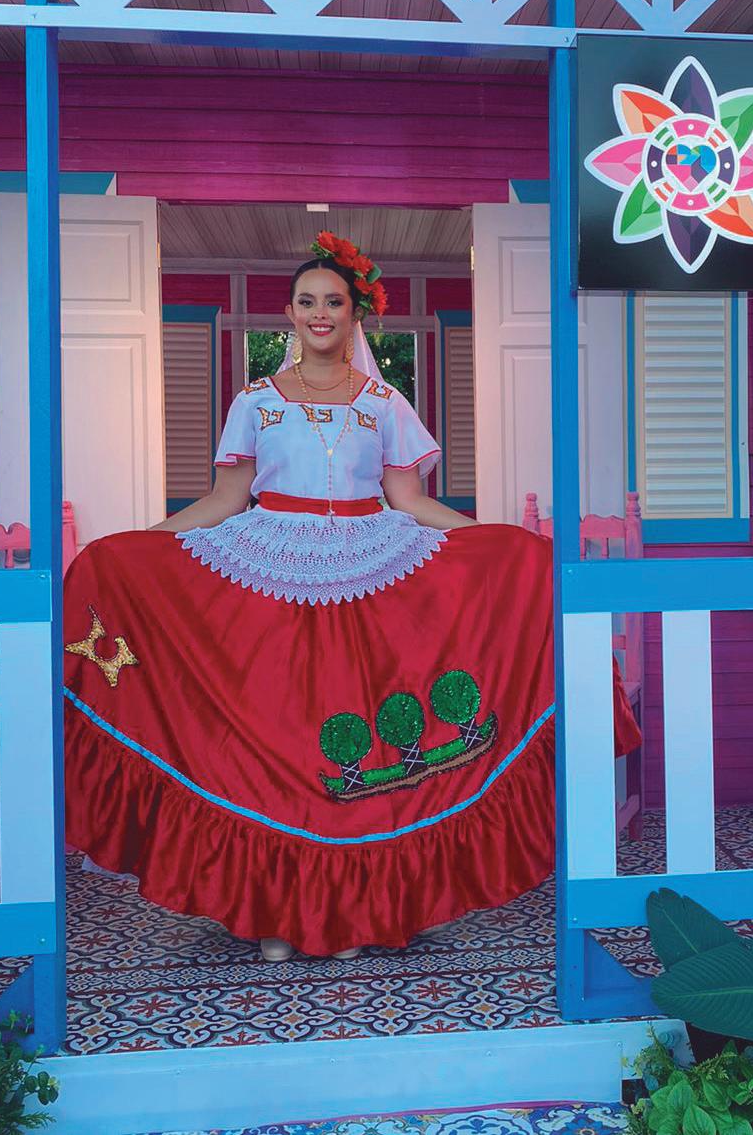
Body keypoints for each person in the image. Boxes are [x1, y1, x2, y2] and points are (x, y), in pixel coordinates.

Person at [63, 231, 639, 962]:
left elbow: (409, 500)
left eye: (333, 301)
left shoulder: (383, 401)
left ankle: (363, 912)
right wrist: (137, 545)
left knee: (356, 745)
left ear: (353, 313)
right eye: (307, 301)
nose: (320, 313)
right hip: (270, 572)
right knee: (276, 739)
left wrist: (500, 542)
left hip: (370, 571)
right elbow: (226, 498)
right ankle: (274, 914)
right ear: (290, 313)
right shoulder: (255, 402)